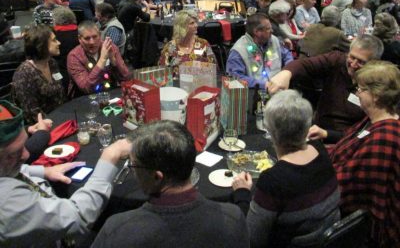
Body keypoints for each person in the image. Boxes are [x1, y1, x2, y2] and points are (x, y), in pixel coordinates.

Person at [92, 121, 249, 248]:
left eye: (134, 166)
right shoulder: (232, 219)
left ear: (157, 177)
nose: (134, 173)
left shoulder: (118, 230)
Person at [0, 111, 132, 247]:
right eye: (13, 154)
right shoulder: (6, 202)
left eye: (24, 145)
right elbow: (77, 217)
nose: (26, 155)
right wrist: (109, 157)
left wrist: (43, 170)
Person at [232, 90, 340, 248]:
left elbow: (251, 240)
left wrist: (242, 194)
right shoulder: (320, 150)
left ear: (270, 131)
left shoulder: (274, 179)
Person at [317, 61, 400, 247]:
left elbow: (347, 185)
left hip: (367, 234)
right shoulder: (372, 121)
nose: (356, 93)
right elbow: (347, 146)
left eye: (361, 89)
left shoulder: (386, 136)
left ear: (376, 96)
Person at [268, 35, 384, 132]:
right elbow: (306, 64)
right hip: (317, 130)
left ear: (374, 63)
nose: (353, 64)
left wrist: (328, 135)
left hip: (347, 141)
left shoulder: (378, 85)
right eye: (352, 57)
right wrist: (286, 73)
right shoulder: (337, 60)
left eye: (361, 62)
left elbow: (366, 131)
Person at [12, 24, 64, 125]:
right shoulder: (24, 74)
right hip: (42, 127)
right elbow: (32, 114)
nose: (59, 43)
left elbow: (61, 96)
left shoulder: (52, 63)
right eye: (54, 40)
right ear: (41, 45)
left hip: (60, 118)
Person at [226, 13, 293, 90]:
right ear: (257, 32)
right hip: (255, 93)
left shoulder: (273, 40)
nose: (272, 31)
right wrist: (264, 85)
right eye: (268, 29)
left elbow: (287, 54)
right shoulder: (238, 51)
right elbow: (235, 78)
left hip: (279, 88)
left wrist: (287, 71)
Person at [67, 21, 130, 97]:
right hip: (84, 99)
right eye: (87, 38)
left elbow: (126, 78)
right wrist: (102, 60)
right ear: (80, 39)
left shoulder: (110, 47)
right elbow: (86, 88)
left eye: (95, 37)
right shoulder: (74, 56)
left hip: (110, 95)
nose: (92, 42)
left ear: (100, 35)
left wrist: (114, 62)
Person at [159, 10, 216, 75]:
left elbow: (214, 69)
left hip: (200, 82)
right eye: (192, 23)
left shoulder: (203, 44)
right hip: (176, 84)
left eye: (196, 22)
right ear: (181, 26)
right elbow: (162, 72)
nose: (196, 25)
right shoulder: (170, 47)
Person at [52, 6, 79, 92]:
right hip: (80, 71)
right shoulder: (81, 32)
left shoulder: (52, 36)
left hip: (61, 73)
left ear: (56, 19)